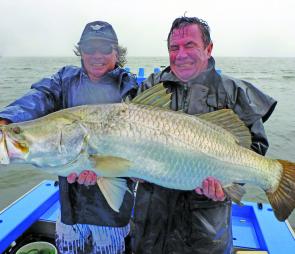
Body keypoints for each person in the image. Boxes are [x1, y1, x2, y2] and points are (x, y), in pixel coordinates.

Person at [132, 16, 277, 254]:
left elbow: (256, 147)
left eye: (190, 45)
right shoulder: (150, 88)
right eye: (174, 48)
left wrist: (230, 181)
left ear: (208, 49)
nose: (181, 54)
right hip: (151, 229)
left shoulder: (233, 91)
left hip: (206, 233)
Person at [0, 21, 137, 254]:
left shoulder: (129, 87)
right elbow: (40, 96)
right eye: (89, 48)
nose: (96, 55)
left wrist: (105, 167)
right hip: (70, 203)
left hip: (112, 210)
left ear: (116, 51)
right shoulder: (65, 80)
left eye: (104, 48)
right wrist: (7, 121)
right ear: (80, 51)